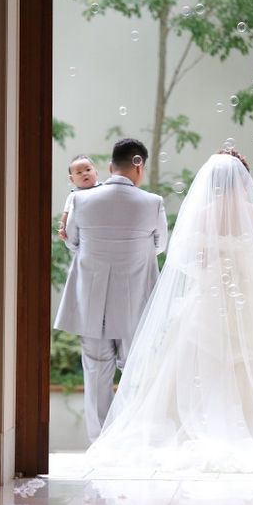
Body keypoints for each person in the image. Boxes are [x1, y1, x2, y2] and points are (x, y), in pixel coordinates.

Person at [81, 151, 253, 474]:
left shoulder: (203, 213)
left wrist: (214, 266)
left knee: (195, 359)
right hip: (249, 297)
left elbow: (187, 260)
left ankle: (195, 422)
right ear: (244, 180)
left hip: (208, 297)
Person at [54, 138, 168, 442]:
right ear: (139, 165)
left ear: (109, 167)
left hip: (92, 302)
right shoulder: (153, 203)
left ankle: (99, 443)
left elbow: (72, 242)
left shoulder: (80, 201)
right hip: (135, 303)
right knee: (136, 371)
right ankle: (131, 440)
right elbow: (160, 246)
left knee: (95, 371)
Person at [57, 155, 101, 241]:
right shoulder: (74, 195)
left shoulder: (103, 189)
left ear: (96, 172)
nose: (84, 173)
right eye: (79, 172)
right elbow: (66, 213)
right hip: (84, 230)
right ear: (72, 179)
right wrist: (62, 228)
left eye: (88, 170)